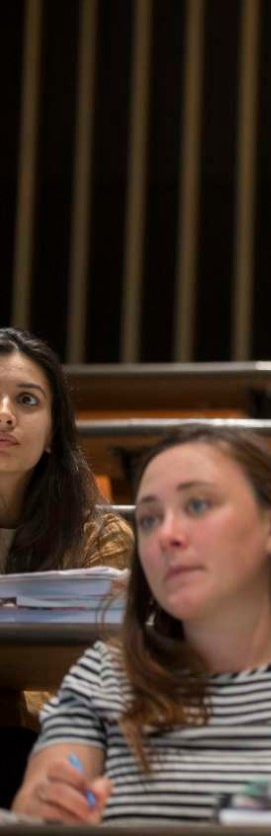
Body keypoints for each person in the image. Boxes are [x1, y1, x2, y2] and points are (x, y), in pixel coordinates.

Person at [13, 425, 271, 825]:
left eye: (197, 505)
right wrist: (49, 806)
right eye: (148, 519)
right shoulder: (105, 675)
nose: (167, 535)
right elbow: (40, 802)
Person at [0, 328, 132, 808]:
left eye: (27, 400)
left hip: (48, 744)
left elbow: (98, 675)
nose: (5, 415)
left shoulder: (101, 537)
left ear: (54, 430)